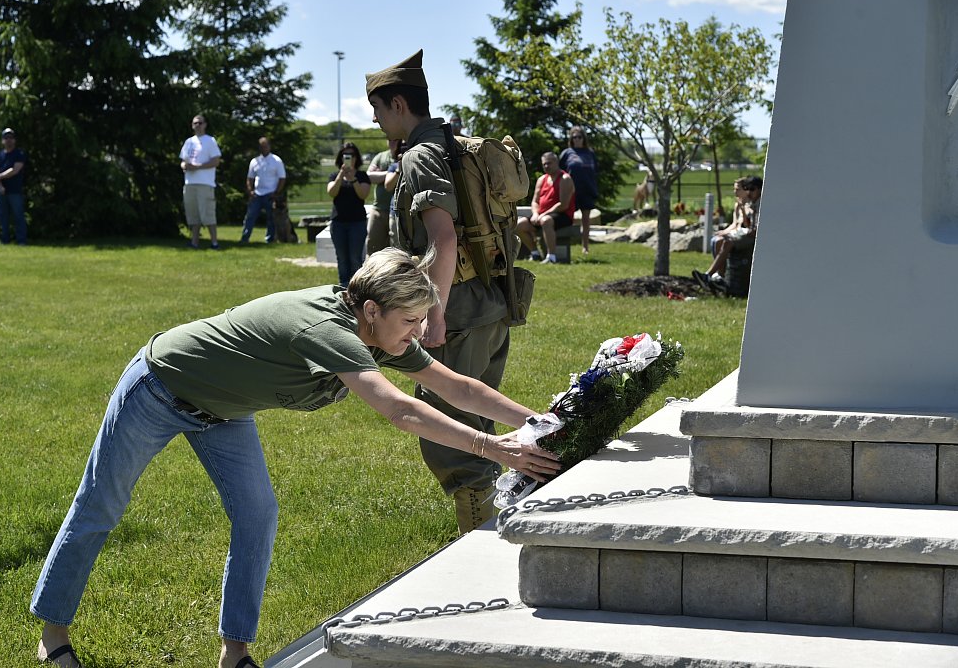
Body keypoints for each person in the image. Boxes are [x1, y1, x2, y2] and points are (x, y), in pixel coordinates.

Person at [30, 248, 561, 668]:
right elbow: (400, 410)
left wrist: (542, 423)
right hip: (161, 388)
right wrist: (492, 448)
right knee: (101, 503)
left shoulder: (380, 332)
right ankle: (52, 633)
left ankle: (234, 652)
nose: (420, 333)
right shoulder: (329, 329)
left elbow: (457, 386)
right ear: (371, 310)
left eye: (424, 320)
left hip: (224, 411)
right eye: (412, 320)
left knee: (257, 514)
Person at [366, 50, 518, 534]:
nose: (374, 120)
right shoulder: (453, 144)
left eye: (377, 109)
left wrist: (433, 313)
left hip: (459, 309)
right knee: (476, 415)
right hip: (489, 302)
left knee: (448, 431)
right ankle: (500, 513)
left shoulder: (419, 155)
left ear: (397, 105)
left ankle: (479, 532)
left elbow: (443, 238)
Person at [693, 175, 763, 290]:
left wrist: (740, 234)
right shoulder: (752, 203)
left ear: (760, 189)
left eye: (752, 189)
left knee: (727, 242)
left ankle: (712, 275)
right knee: (723, 241)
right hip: (750, 233)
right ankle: (715, 276)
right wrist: (743, 211)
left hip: (755, 237)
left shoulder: (761, 204)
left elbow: (754, 231)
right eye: (747, 189)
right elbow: (747, 225)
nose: (749, 192)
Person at [516, 152, 575, 264]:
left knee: (546, 220)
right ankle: (535, 254)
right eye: (544, 164)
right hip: (541, 216)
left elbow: (563, 205)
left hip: (563, 215)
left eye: (549, 163)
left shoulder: (565, 179)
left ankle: (551, 257)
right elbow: (535, 201)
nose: (547, 166)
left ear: (556, 162)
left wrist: (543, 215)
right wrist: (535, 214)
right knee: (519, 225)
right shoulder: (541, 179)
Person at [326, 142, 371, 286]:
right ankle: (343, 287)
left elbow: (363, 194)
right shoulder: (334, 176)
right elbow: (331, 192)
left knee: (355, 258)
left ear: (357, 158)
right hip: (338, 223)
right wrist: (341, 176)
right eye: (346, 155)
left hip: (357, 223)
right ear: (340, 158)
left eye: (352, 155)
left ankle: (357, 288)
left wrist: (353, 179)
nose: (349, 158)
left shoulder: (362, 176)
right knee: (342, 258)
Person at [179, 114, 222, 250]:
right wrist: (184, 166)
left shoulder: (210, 141)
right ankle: (194, 242)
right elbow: (183, 160)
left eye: (200, 123)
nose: (197, 125)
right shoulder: (188, 142)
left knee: (208, 214)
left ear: (205, 125)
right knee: (193, 215)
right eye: (195, 123)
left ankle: (214, 243)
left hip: (205, 183)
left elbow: (216, 161)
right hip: (189, 182)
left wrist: (198, 167)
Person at [559, 127, 598, 254]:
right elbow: (560, 172)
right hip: (571, 191)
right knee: (565, 216)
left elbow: (595, 171)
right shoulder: (567, 153)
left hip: (586, 190)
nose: (577, 140)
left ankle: (585, 246)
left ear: (583, 138)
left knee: (586, 219)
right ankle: (561, 245)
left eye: (579, 137)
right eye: (574, 137)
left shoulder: (590, 153)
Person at [240, 137, 286, 244]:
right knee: (250, 217)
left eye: (265, 146)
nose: (264, 148)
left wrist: (276, 193)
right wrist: (250, 191)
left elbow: (282, 178)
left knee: (271, 219)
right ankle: (244, 238)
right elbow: (250, 178)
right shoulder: (254, 161)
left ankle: (270, 239)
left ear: (269, 146)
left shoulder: (276, 161)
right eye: (261, 146)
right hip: (257, 194)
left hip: (270, 194)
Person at [365, 138, 403, 255]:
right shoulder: (381, 156)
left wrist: (380, 174)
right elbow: (369, 177)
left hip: (399, 212)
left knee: (397, 250)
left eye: (396, 140)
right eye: (390, 139)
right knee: (373, 248)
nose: (392, 142)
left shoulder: (405, 156)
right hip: (379, 210)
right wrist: (390, 173)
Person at [0, 127, 27, 245]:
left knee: (18, 216)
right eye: (6, 138)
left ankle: (21, 240)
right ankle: (4, 240)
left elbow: (14, 170)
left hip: (15, 190)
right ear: (2, 140)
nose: (8, 140)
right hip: (1, 190)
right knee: (3, 217)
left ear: (14, 140)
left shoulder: (19, 154)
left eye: (11, 138)